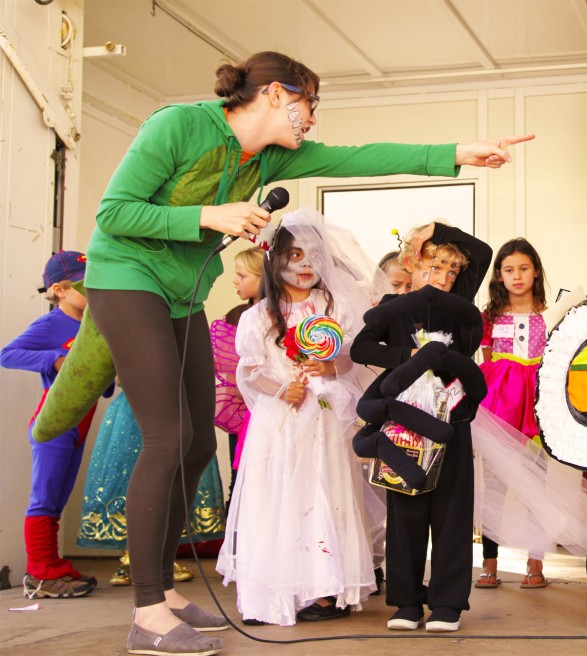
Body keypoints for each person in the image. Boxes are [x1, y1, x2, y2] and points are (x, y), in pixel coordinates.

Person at [81, 50, 531, 656]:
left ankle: (161, 591)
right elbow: (113, 213)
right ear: (273, 93)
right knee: (167, 437)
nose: (312, 119)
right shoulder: (179, 125)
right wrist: (210, 214)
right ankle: (146, 612)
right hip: (126, 277)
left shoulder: (273, 157)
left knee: (192, 444)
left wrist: (456, 154)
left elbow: (362, 159)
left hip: (177, 293)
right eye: (308, 104)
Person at [216, 210, 387, 626]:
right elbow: (249, 370)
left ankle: (323, 589)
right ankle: (269, 590)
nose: (306, 264)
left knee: (319, 490)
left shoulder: (332, 306)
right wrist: (280, 387)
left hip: (323, 416)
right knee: (274, 494)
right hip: (278, 419)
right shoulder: (259, 316)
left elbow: (349, 359)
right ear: (275, 261)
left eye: (314, 254)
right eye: (295, 254)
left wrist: (332, 367)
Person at [351, 221, 492, 632]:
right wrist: (413, 355)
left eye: (451, 271)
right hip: (403, 420)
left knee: (452, 511)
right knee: (405, 509)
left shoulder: (458, 303)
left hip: (453, 417)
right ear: (412, 263)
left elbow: (481, 253)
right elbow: (361, 347)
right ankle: (407, 602)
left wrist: (439, 228)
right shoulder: (393, 307)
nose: (444, 277)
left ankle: (448, 603)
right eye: (435, 266)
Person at [0, 251, 99, 599]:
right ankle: (40, 571)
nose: (95, 292)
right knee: (44, 496)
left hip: (81, 419)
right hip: (54, 419)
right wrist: (54, 359)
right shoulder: (50, 325)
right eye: (86, 286)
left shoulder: (93, 323)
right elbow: (7, 354)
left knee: (59, 495)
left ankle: (53, 565)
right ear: (59, 289)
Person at [76, 388, 224, 585]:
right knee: (126, 478)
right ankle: (131, 558)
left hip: (171, 406)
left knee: (173, 481)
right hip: (133, 411)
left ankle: (163, 559)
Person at [476, 238, 550, 589]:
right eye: (509, 270)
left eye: (524, 268)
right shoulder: (488, 318)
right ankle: (489, 563)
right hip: (498, 406)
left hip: (537, 408)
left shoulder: (552, 313)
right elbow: (487, 363)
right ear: (499, 276)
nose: (517, 276)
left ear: (536, 271)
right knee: (494, 483)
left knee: (537, 480)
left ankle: (535, 563)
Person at [210, 246, 264, 510]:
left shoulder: (285, 314)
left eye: (241, 275)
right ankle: (236, 542)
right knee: (240, 476)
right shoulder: (236, 316)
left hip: (276, 408)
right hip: (242, 412)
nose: (235, 280)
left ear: (263, 278)